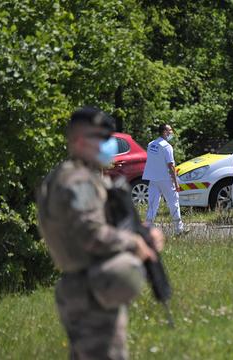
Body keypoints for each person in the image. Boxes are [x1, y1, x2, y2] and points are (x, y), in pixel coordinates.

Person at [36, 107, 164, 359]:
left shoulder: (65, 176)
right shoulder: (79, 181)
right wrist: (134, 242)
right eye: (103, 139)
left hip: (83, 288)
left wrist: (142, 232)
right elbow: (90, 233)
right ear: (82, 141)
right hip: (91, 292)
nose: (109, 145)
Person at [143, 124, 184, 234]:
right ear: (165, 132)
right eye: (170, 130)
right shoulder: (167, 146)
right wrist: (176, 183)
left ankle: (147, 229)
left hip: (153, 179)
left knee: (152, 204)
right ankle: (179, 230)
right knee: (174, 202)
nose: (172, 132)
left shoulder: (151, 144)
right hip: (165, 179)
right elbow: (171, 166)